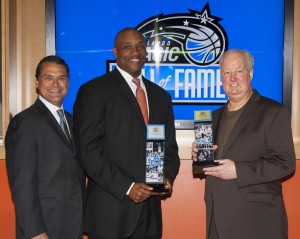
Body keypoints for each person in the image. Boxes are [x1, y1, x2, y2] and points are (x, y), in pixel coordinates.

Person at [73, 27, 180, 239]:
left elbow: (170, 148)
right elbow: (88, 151)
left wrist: (166, 176)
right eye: (127, 47)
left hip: (150, 215)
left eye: (141, 46)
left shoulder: (160, 96)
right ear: (115, 51)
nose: (135, 52)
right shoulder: (94, 91)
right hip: (111, 211)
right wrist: (127, 187)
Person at [191, 49, 295, 239]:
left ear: (250, 74)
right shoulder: (212, 118)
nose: (233, 78)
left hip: (256, 222)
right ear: (220, 77)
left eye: (239, 71)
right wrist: (200, 158)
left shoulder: (273, 112)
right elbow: (205, 169)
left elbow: (285, 163)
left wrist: (238, 170)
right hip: (217, 220)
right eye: (227, 73)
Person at [5, 56, 85, 239]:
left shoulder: (74, 121)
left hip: (73, 223)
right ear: (37, 82)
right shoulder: (24, 123)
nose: (56, 84)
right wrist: (35, 231)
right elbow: (22, 185)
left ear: (68, 82)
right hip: (44, 227)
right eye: (48, 78)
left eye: (62, 78)